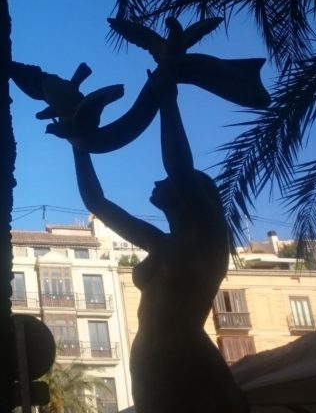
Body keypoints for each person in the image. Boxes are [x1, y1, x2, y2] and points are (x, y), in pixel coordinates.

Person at [67, 70, 249, 413]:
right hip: (146, 361)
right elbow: (96, 203)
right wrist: (78, 146)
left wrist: (167, 98)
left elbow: (179, 165)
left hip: (185, 357)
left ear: (190, 194)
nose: (158, 179)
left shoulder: (208, 241)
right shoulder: (161, 243)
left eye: (168, 180)